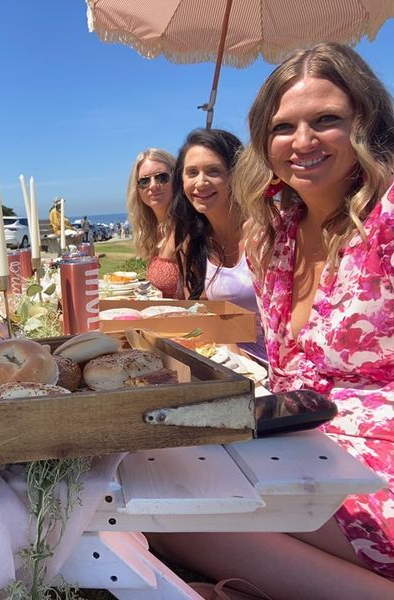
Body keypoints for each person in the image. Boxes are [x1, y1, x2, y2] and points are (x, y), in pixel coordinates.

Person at [150, 43, 394, 599]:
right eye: (284, 127)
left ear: (367, 124)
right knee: (145, 467)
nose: (303, 142)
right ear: (264, 140)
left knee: (171, 509)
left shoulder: (387, 221)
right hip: (299, 441)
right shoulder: (271, 232)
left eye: (326, 120)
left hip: (373, 460)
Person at [169, 129, 267, 359]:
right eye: (192, 172)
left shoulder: (263, 231)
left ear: (235, 175)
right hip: (234, 362)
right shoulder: (194, 241)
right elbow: (203, 308)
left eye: (213, 171)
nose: (200, 182)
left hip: (281, 368)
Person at [126, 148, 180, 298]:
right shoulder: (153, 229)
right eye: (144, 181)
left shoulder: (186, 227)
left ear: (176, 178)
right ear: (137, 189)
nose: (153, 185)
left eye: (162, 177)